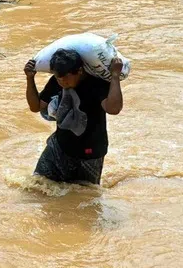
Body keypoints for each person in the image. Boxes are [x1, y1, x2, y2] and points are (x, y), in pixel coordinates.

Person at [23, 48, 123, 186]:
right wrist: (30, 78)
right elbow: (36, 107)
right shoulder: (56, 81)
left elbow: (114, 109)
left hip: (90, 154)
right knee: (36, 185)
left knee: (85, 197)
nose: (62, 82)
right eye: (59, 78)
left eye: (66, 77)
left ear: (80, 71)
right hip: (59, 146)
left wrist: (115, 76)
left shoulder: (97, 85)